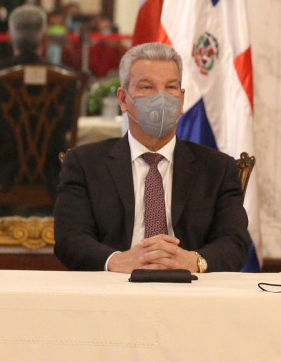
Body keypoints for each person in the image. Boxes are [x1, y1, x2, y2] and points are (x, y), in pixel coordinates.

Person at [51, 43, 251, 273]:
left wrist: (194, 261)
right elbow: (70, 239)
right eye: (147, 87)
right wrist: (116, 261)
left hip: (191, 287)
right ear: (123, 99)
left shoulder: (217, 168)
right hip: (114, 286)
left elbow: (235, 242)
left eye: (171, 87)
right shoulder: (84, 164)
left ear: (181, 100)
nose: (161, 97)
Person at [0, 4, 73, 212]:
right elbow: (66, 123)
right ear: (44, 39)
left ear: (10, 37)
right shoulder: (65, 78)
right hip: (52, 173)